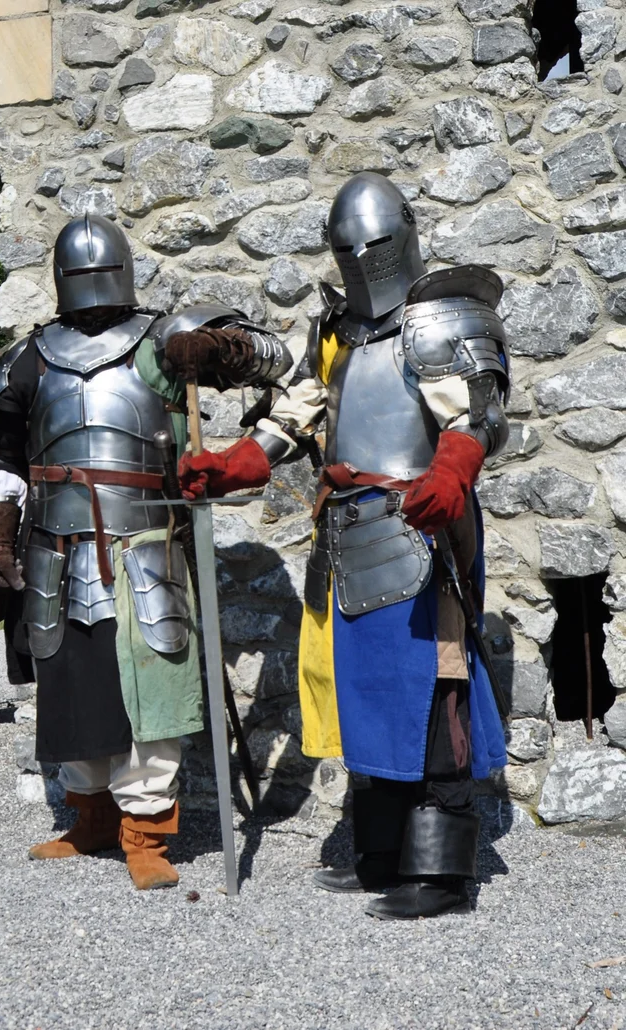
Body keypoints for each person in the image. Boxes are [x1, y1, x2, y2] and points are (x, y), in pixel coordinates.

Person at [179, 172, 510, 919]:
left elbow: (480, 415)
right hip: (348, 532)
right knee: (368, 693)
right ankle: (381, 855)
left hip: (423, 527)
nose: (362, 262)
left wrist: (452, 469)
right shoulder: (334, 332)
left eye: (374, 245)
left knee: (435, 687)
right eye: (347, 249)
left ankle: (440, 876)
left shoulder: (443, 319)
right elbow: (296, 414)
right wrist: (237, 463)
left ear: (405, 237)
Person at [0, 213, 291, 890]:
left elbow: (274, 359)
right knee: (72, 689)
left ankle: (145, 835)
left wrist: (218, 348)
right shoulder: (28, 359)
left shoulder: (162, 342)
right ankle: (91, 820)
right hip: (55, 550)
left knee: (152, 692)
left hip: (145, 545)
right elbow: (0, 457)